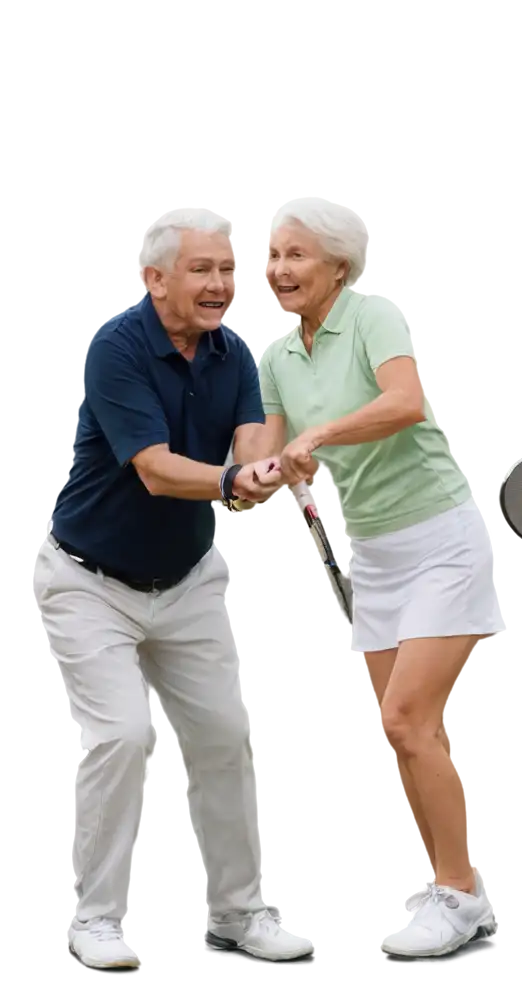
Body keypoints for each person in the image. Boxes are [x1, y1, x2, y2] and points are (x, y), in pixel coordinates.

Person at [30, 206, 319, 975]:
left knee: (227, 737)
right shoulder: (116, 349)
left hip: (187, 582)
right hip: (88, 582)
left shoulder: (236, 357)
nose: (222, 284)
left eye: (228, 269)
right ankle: (94, 921)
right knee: (121, 733)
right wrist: (233, 481)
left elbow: (251, 451)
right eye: (203, 269)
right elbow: (157, 471)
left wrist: (273, 468)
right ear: (155, 279)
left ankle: (239, 914)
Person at [254, 194, 504, 960]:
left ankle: (458, 898)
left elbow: (404, 402)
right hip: (372, 550)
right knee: (406, 734)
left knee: (406, 720)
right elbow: (269, 454)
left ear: (337, 263)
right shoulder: (275, 356)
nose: (280, 269)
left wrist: (322, 433)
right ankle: (451, 885)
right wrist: (256, 473)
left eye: (297, 255)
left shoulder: (372, 315)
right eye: (273, 257)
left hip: (441, 538)